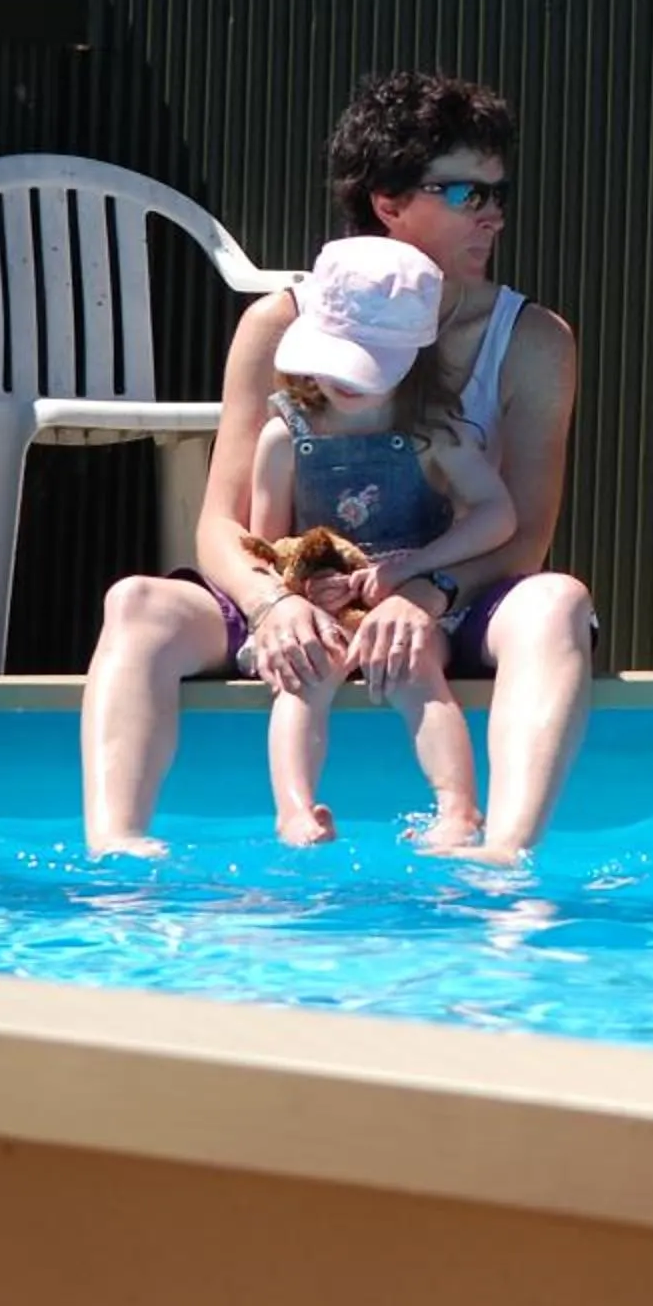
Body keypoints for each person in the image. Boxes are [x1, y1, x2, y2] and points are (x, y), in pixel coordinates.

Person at [78, 71, 595, 860]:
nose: (493, 213)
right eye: (465, 193)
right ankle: (115, 850)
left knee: (558, 603)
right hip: (299, 592)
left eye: (499, 192)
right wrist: (271, 605)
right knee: (135, 604)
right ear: (389, 204)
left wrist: (423, 590)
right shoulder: (279, 329)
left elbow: (521, 538)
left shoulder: (531, 342)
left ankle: (503, 852)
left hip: (448, 599)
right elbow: (222, 524)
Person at [244, 235, 517, 847]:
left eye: (365, 361)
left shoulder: (433, 436)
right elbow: (265, 549)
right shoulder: (284, 436)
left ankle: (457, 809)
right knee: (303, 674)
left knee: (412, 664)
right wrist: (304, 589)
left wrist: (415, 568)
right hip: (324, 612)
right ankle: (295, 810)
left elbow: (497, 517)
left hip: (409, 611)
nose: (344, 378)